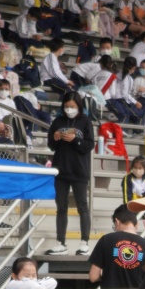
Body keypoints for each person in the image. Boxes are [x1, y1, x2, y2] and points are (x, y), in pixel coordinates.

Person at [47, 94, 94, 255]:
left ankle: (85, 242)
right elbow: (51, 146)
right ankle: (60, 242)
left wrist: (75, 139)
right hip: (60, 170)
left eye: (72, 106)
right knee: (61, 207)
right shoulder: (58, 121)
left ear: (79, 106)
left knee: (82, 207)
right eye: (67, 106)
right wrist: (55, 137)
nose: (69, 109)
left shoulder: (85, 121)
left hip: (79, 170)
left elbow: (89, 145)